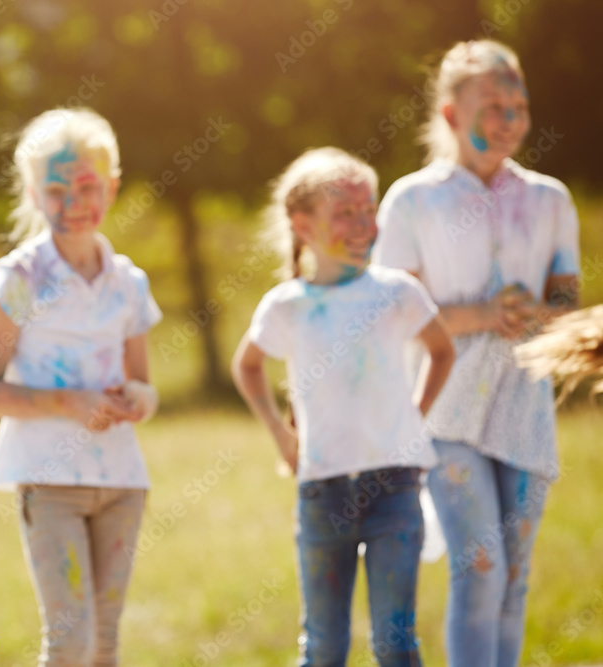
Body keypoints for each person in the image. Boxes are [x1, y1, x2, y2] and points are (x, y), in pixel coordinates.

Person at [374, 39, 580, 667]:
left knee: (515, 575)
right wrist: (483, 315)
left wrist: (544, 316)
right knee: (480, 567)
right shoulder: (412, 200)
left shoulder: (550, 199)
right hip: (447, 407)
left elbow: (565, 300)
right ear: (449, 115)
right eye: (492, 105)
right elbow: (393, 311)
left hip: (524, 405)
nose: (509, 119)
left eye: (519, 105)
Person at [232, 147, 454, 666]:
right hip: (322, 491)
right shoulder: (287, 305)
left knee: (395, 642)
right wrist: (282, 438)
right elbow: (247, 365)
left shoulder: (398, 291)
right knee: (325, 646)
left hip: (395, 487)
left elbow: (442, 351)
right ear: (302, 225)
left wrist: (413, 415)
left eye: (367, 210)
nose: (362, 225)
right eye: (344, 214)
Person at [0, 108, 161, 666]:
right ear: (32, 193)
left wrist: (140, 401)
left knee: (104, 644)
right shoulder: (23, 278)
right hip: (49, 480)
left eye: (87, 186)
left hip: (122, 481)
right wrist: (68, 403)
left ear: (112, 186)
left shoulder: (128, 283)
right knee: (70, 642)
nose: (73, 202)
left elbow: (143, 385)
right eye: (56, 190)